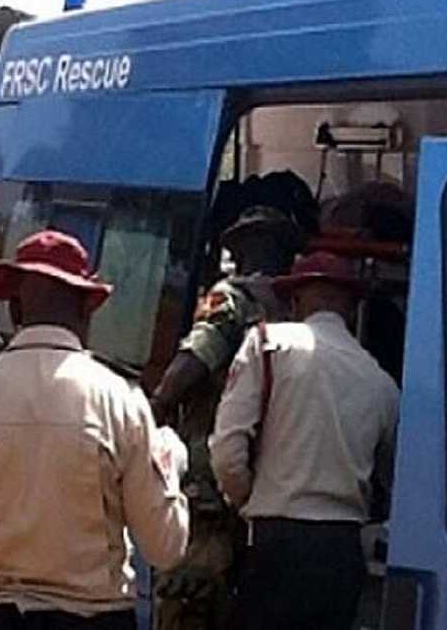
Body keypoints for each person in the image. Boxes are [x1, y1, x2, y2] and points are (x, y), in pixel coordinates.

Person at [0, 230, 190, 630]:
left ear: (13, 310)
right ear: (87, 309)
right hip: (99, 620)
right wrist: (170, 463)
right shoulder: (120, 398)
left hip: (5, 618)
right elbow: (164, 546)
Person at [150, 181, 317, 629]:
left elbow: (188, 367)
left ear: (240, 253)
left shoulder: (230, 300)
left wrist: (154, 410)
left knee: (188, 600)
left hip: (210, 482)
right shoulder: (295, 316)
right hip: (270, 489)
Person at [209, 252, 399, 630]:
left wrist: (250, 498)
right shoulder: (381, 382)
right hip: (343, 553)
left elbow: (227, 453)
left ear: (295, 301)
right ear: (350, 309)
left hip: (276, 542)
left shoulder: (266, 343)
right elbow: (393, 480)